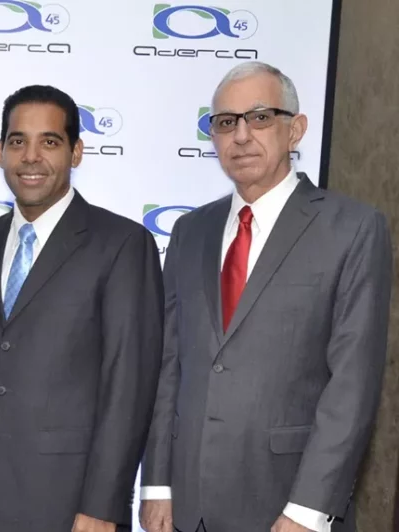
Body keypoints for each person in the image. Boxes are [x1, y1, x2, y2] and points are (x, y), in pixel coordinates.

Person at [139, 61, 392, 532]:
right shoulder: (190, 231)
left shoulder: (352, 228)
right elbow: (169, 364)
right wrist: (157, 485)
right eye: (225, 122)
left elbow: (352, 385)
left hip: (288, 506)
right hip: (187, 508)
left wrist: (307, 510)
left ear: (295, 129)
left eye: (259, 117)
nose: (241, 136)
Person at [0, 85, 165, 532]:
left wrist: (104, 504)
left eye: (49, 142)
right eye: (18, 141)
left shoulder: (122, 244)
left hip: (74, 504)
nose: (31, 157)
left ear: (76, 152)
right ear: (0, 151)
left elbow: (128, 387)